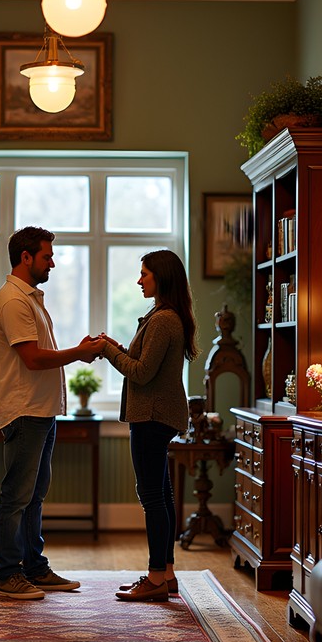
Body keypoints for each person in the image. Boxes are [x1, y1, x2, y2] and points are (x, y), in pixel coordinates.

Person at [0, 225, 104, 600]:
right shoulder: (13, 301)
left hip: (41, 411)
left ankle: (34, 568)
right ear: (26, 257)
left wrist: (78, 350)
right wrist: (79, 353)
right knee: (15, 497)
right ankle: (9, 575)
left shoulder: (30, 298)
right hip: (26, 411)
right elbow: (33, 359)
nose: (52, 263)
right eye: (47, 256)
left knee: (34, 496)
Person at [97, 249, 198, 602]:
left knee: (152, 497)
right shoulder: (164, 316)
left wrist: (107, 351)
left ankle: (155, 579)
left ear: (161, 277)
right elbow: (145, 362)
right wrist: (116, 348)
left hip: (151, 417)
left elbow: (140, 373)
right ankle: (166, 574)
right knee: (162, 495)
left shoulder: (163, 319)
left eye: (144, 274)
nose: (139, 280)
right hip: (157, 415)